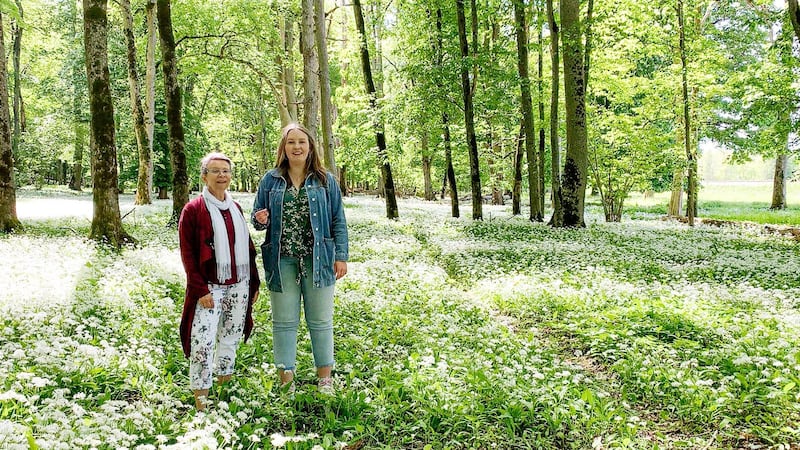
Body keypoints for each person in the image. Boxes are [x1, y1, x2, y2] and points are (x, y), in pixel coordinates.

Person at [252, 123, 348, 394]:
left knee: (320, 321)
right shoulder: (270, 180)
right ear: (283, 148)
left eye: (301, 142)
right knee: (284, 322)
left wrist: (341, 256)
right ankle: (286, 380)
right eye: (291, 142)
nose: (296, 147)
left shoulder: (325, 180)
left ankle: (325, 379)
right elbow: (258, 217)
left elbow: (338, 220)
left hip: (319, 260)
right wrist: (260, 219)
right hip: (281, 260)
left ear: (310, 147)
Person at [178, 152, 260, 411]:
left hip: (239, 284)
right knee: (202, 342)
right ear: (204, 176)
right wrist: (199, 289)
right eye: (215, 171)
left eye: (225, 171)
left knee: (231, 338)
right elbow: (188, 254)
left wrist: (253, 283)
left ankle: (224, 395)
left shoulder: (235, 208)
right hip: (209, 288)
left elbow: (246, 248)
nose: (222, 175)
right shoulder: (193, 210)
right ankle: (201, 403)